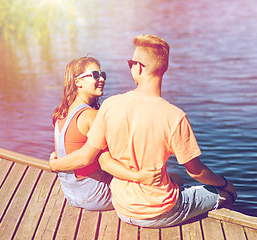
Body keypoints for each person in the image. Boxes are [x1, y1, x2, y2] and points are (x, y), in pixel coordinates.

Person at [49, 35, 237, 228]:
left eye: (131, 63)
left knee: (176, 179)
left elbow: (103, 161)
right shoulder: (175, 116)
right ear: (164, 68)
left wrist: (55, 164)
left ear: (138, 67)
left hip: (122, 206)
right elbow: (197, 172)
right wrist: (224, 184)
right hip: (158, 212)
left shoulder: (110, 105)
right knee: (224, 193)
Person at [51, 56, 161, 211]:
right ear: (78, 82)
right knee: (168, 182)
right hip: (95, 196)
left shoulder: (61, 114)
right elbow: (103, 160)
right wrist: (139, 177)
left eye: (103, 75)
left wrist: (55, 164)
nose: (101, 79)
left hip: (72, 194)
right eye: (95, 75)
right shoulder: (90, 116)